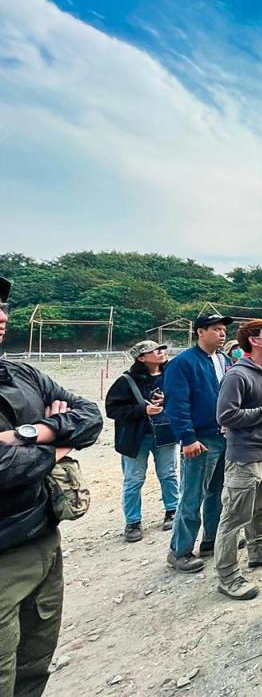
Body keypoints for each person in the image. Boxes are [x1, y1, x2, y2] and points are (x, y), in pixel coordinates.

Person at [0, 276, 104, 696]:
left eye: (3, 306)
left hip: (42, 538)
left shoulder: (21, 373)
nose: (1, 315)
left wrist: (30, 434)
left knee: (34, 665)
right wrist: (59, 444)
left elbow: (91, 416)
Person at [213, 319, 262, 601]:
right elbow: (226, 416)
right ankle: (228, 576)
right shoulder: (238, 375)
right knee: (234, 517)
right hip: (244, 456)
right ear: (254, 340)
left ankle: (259, 550)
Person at [164, 313, 233, 573]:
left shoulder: (223, 359)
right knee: (193, 495)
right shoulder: (183, 363)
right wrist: (187, 437)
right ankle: (179, 550)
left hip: (223, 435)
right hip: (200, 439)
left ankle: (211, 539)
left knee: (218, 493)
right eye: (215, 329)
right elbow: (177, 403)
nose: (222, 333)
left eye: (223, 329)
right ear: (200, 332)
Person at [105, 340, 179, 543]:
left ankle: (172, 511)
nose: (161, 352)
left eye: (162, 348)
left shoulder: (171, 375)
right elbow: (112, 410)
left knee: (169, 474)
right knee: (133, 480)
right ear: (141, 357)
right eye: (155, 350)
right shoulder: (126, 381)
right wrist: (142, 410)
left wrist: (167, 402)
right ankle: (133, 521)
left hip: (166, 433)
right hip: (136, 438)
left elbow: (182, 398)